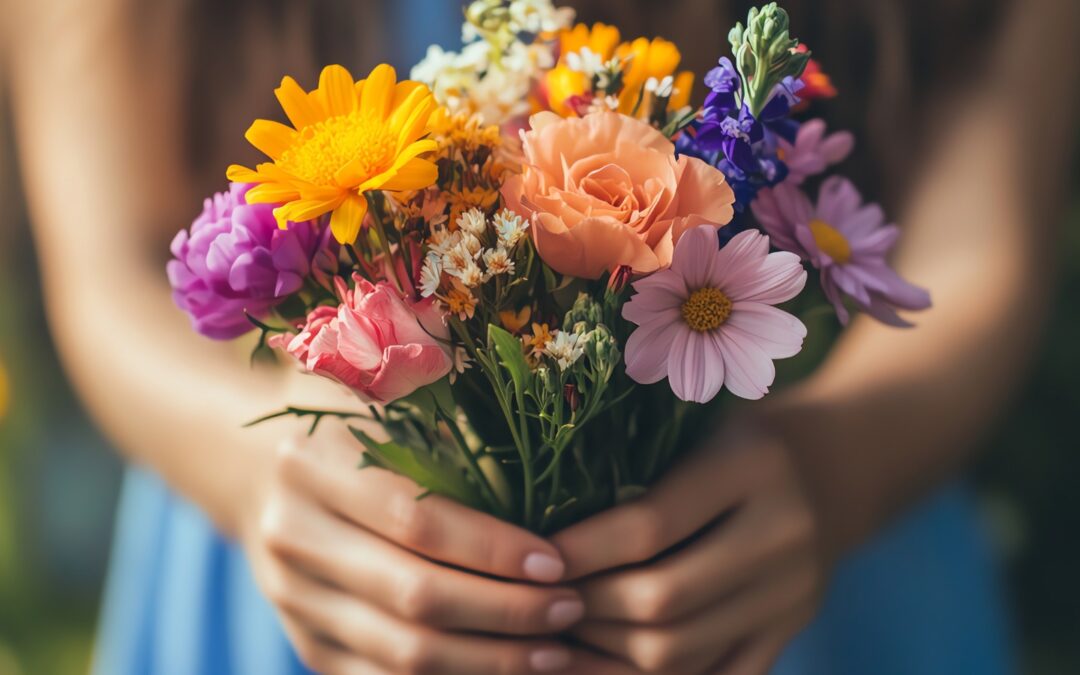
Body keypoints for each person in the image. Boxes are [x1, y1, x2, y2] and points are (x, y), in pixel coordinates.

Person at [4, 0, 1077, 672]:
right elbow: (110, 272)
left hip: (807, 555)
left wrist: (834, 467)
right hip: (316, 558)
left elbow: (976, 253)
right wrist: (262, 462)